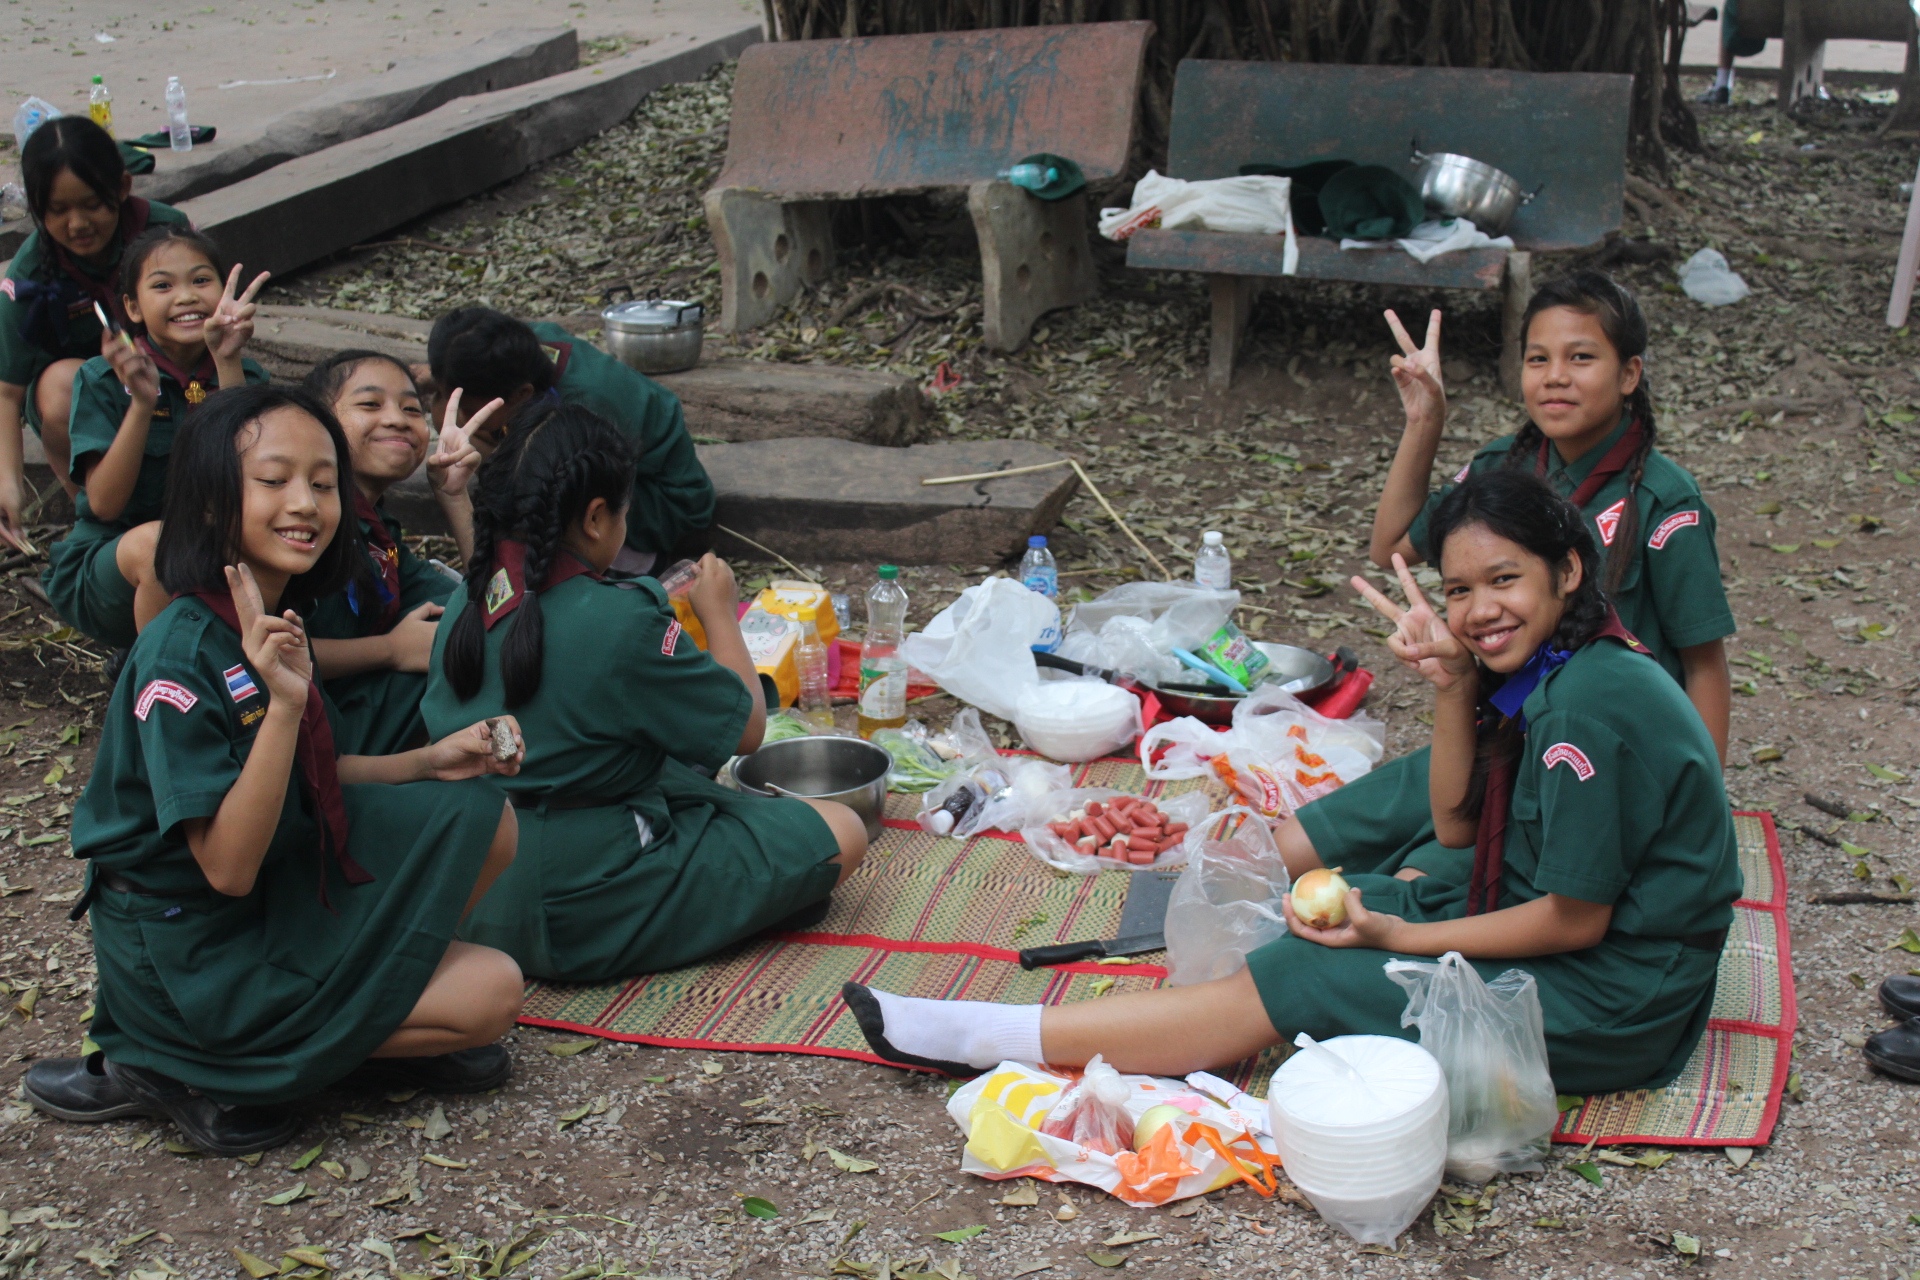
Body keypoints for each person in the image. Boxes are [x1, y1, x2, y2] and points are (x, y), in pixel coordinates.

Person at [845, 469, 1742, 1095]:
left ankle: (984, 1040)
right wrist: (1456, 683)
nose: (1478, 611)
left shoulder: (1584, 708)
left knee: (1319, 968)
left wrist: (1396, 934)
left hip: (1621, 997)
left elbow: (1572, 918)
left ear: (1569, 571)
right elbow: (1460, 828)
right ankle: (1150, 1022)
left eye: (1504, 580)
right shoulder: (1557, 666)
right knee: (1374, 892)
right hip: (1595, 952)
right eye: (1459, 590)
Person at [19, 383, 527, 1156]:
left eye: (323, 484)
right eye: (274, 480)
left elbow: (307, 782)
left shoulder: (268, 615)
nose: (307, 504)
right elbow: (225, 865)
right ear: (216, 503)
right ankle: (178, 1063)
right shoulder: (181, 651)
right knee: (492, 991)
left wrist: (429, 760)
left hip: (275, 883)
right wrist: (286, 706)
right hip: (193, 946)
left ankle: (335, 1024)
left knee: (485, 815)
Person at [1286, 270, 1734, 890]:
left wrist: (1698, 804)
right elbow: (1392, 547)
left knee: (1411, 886)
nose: (1555, 376)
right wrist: (1425, 421)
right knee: (1287, 849)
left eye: (1582, 357)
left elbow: (1704, 664)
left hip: (1587, 754)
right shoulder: (1505, 465)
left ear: (1629, 374)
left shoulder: (1665, 503)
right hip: (1495, 736)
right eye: (1538, 358)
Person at [419, 402, 864, 983]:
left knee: (676, 773)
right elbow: (748, 731)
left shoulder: (474, 591)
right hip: (575, 900)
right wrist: (720, 613)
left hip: (468, 887)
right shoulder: (623, 620)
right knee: (842, 832)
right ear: (598, 518)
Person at [41, 226, 269, 651]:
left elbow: (248, 477)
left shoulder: (247, 375)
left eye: (201, 281)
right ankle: (157, 683)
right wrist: (142, 404)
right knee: (157, 545)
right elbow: (105, 505)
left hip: (215, 552)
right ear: (132, 306)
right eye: (163, 285)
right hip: (115, 566)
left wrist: (227, 359)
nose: (185, 296)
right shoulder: (103, 379)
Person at [0, 116, 191, 547]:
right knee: (59, 385)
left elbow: (208, 317)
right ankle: (101, 526)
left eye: (91, 204)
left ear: (122, 189)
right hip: (95, 404)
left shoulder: (168, 232)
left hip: (179, 383)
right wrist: (7, 486)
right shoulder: (29, 278)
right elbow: (6, 394)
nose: (77, 223)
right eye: (58, 210)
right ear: (35, 207)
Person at [301, 349, 503, 754]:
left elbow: (499, 599)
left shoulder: (377, 533)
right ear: (315, 422)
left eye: (412, 409)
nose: (396, 418)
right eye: (370, 404)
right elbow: (246, 648)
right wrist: (390, 651)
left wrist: (453, 495)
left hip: (363, 713)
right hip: (307, 739)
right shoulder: (305, 521)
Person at [420, 306, 713, 573]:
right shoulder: (525, 346)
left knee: (540, 510)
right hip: (608, 465)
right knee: (442, 411)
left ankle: (634, 566)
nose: (460, 418)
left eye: (470, 409)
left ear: (522, 394)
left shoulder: (584, 408)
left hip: (667, 502)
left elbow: (556, 494)